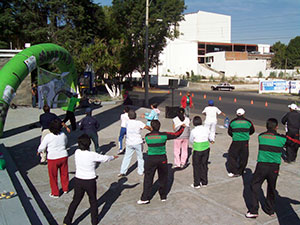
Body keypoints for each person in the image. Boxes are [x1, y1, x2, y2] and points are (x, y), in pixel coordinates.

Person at [246, 118, 300, 218]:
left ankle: (253, 210)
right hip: (274, 167)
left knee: (254, 185)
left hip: (261, 166)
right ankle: (270, 210)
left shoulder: (261, 136)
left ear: (266, 126)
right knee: (271, 188)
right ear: (276, 127)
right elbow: (294, 143)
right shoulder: (281, 138)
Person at [63, 134, 118, 225]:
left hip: (78, 180)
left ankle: (67, 221)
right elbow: (105, 159)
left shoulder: (77, 152)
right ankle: (94, 221)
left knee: (75, 201)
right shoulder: (92, 155)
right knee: (93, 201)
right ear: (89, 144)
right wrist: (113, 157)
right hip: (90, 181)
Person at [137, 120, 185, 204]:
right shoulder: (164, 135)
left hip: (151, 159)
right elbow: (176, 134)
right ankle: (163, 196)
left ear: (151, 127)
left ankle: (145, 198)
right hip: (162, 159)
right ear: (159, 127)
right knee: (163, 178)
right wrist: (182, 127)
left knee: (148, 178)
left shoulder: (147, 136)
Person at [37, 119, 69, 198]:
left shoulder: (48, 136)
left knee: (53, 176)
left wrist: (39, 151)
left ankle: (55, 193)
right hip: (63, 156)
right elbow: (66, 142)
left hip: (53, 158)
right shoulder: (63, 134)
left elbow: (42, 146)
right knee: (64, 173)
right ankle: (65, 188)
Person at [119, 109, 150, 177]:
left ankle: (122, 171)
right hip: (138, 142)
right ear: (135, 116)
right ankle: (140, 171)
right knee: (140, 157)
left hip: (129, 142)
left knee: (127, 157)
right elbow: (146, 127)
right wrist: (152, 129)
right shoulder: (138, 123)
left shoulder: (127, 123)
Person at [227, 108, 255, 177]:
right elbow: (252, 130)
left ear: (236, 114)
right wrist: (245, 134)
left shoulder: (233, 122)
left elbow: (229, 132)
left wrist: (235, 135)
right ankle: (241, 171)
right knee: (244, 157)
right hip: (245, 141)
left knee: (232, 156)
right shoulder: (248, 122)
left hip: (236, 141)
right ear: (244, 114)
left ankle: (234, 171)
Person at [189, 116, 210, 188]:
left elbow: (191, 140)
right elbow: (209, 137)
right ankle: (204, 182)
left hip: (198, 148)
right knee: (204, 165)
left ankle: (197, 183)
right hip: (206, 147)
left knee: (196, 166)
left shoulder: (193, 131)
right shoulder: (206, 129)